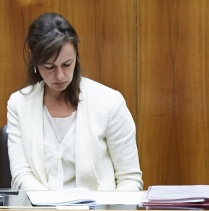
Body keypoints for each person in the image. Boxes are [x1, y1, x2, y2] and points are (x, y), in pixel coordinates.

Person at [6, 12, 143, 192]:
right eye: (49, 67)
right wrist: (48, 207)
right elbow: (21, 174)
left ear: (76, 55)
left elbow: (129, 179)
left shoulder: (110, 102)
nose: (60, 75)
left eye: (67, 64)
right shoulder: (19, 104)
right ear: (33, 58)